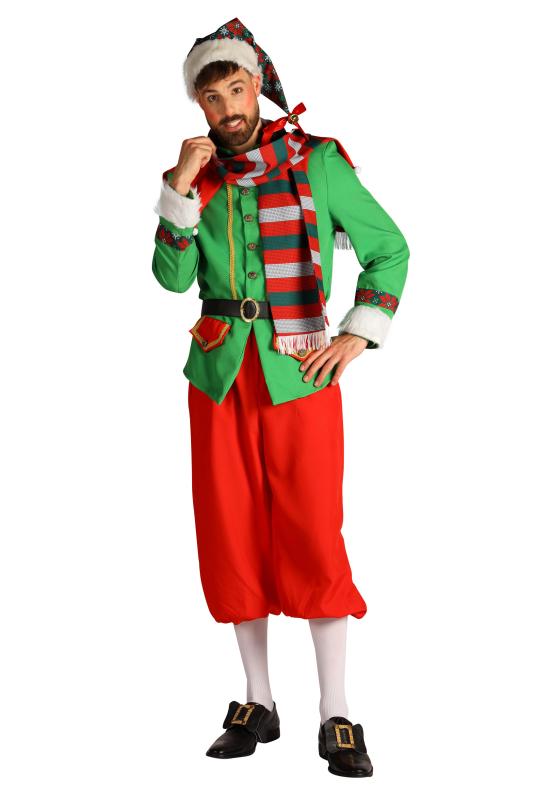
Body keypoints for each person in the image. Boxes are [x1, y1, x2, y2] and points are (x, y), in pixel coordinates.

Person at [152, 17, 409, 778]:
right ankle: (257, 701)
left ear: (256, 87)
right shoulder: (193, 177)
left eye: (236, 89)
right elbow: (170, 279)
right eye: (212, 97)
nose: (227, 107)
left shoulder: (316, 162)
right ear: (199, 106)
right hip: (218, 373)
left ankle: (335, 711)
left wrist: (357, 334)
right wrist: (176, 187)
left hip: (301, 371)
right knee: (229, 529)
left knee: (311, 528)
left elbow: (389, 249)